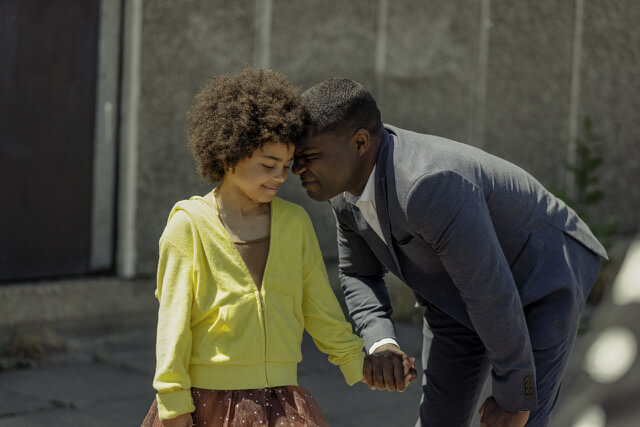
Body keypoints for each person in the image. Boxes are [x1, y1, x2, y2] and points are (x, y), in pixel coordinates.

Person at [291, 78, 608, 427]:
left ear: (360, 142)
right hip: (456, 301)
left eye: (309, 157)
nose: (296, 170)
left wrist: (514, 397)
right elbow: (358, 273)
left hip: (541, 278)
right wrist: (381, 342)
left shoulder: (427, 185)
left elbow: (489, 292)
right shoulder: (343, 193)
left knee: (518, 420)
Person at [141, 69, 373, 427]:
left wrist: (358, 363)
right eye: (268, 165)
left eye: (286, 166)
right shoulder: (187, 227)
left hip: (281, 403)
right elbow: (172, 326)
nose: (280, 177)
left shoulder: (295, 224)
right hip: (205, 403)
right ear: (229, 154)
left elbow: (320, 308)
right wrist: (173, 402)